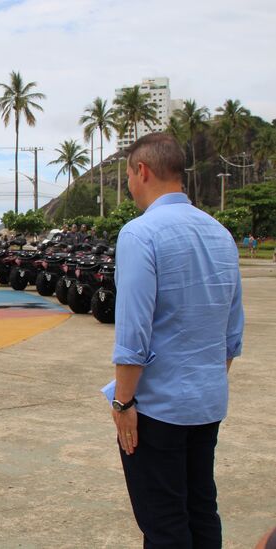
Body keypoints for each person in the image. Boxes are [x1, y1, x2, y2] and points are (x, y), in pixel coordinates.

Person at [103, 133, 244, 548]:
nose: (129, 182)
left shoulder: (140, 234)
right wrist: (204, 384)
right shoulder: (220, 233)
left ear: (141, 171)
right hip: (207, 402)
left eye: (128, 173)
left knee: (163, 522)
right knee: (201, 509)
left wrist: (124, 403)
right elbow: (231, 333)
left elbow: (133, 333)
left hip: (158, 411)